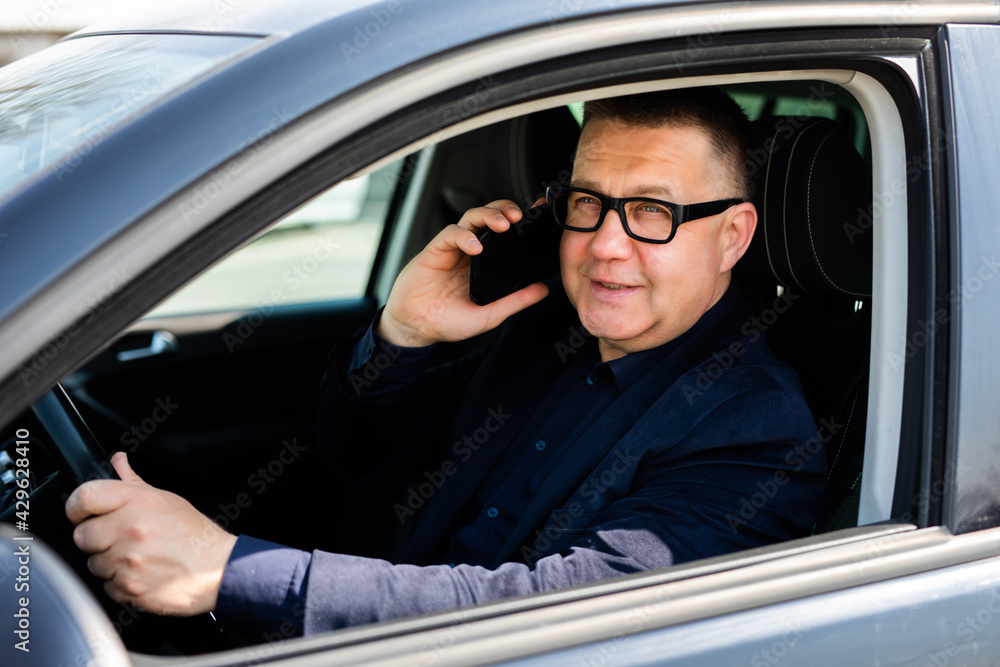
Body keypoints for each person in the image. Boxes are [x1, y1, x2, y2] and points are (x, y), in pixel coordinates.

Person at [65, 87, 826, 639]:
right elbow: (354, 455)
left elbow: (548, 611)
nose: (605, 244)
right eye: (589, 201)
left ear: (732, 236)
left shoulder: (756, 433)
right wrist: (403, 334)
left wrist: (224, 570)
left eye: (653, 212)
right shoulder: (535, 324)